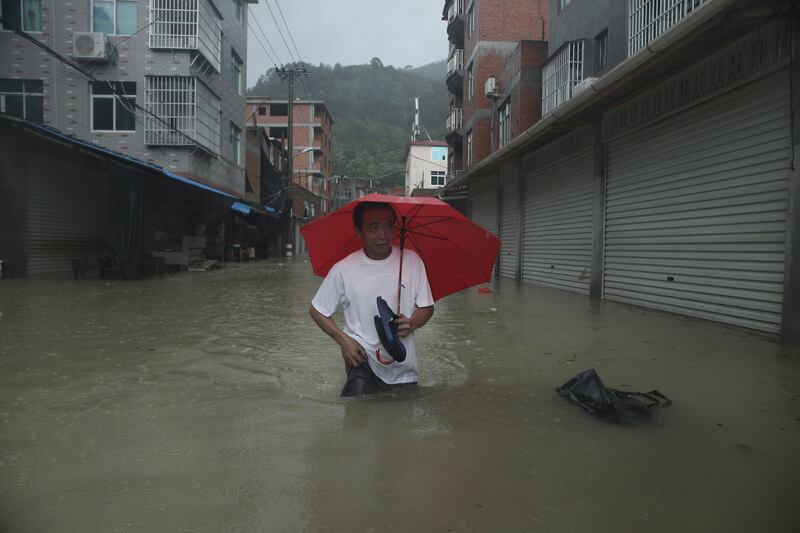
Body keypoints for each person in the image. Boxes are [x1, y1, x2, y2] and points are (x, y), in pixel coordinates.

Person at [309, 201, 435, 396]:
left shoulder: (412, 261)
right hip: (361, 359)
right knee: (356, 410)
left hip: (402, 366)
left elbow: (427, 307)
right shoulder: (343, 269)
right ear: (359, 231)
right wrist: (343, 340)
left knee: (401, 422)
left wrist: (411, 323)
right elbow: (317, 310)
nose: (383, 236)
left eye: (388, 226)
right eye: (374, 228)